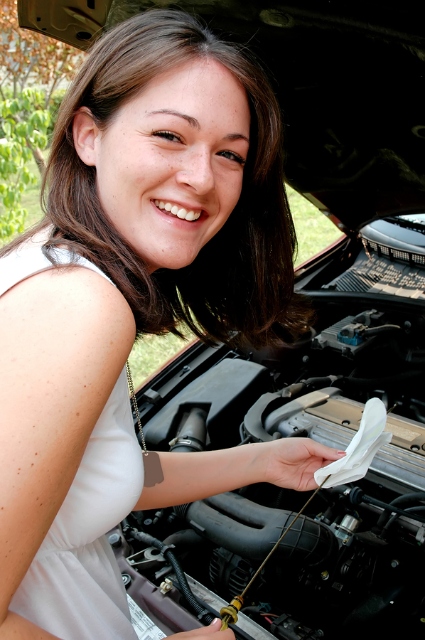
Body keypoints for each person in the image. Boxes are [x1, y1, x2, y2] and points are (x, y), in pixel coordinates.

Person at [0, 8, 345, 640]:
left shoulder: (52, 263)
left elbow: (96, 480)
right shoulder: (82, 308)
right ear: (88, 135)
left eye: (230, 155)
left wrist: (262, 460)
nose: (200, 178)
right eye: (169, 136)